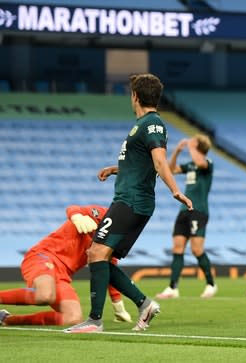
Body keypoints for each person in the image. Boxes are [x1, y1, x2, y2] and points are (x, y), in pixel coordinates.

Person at [64, 73, 193, 334]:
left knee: (96, 254)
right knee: (100, 257)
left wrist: (175, 190)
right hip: (130, 198)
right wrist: (116, 169)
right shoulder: (145, 124)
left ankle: (95, 320)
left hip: (132, 201)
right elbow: (142, 162)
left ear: (135, 96)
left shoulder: (152, 124)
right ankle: (144, 305)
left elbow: (159, 161)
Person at [0, 205, 132, 327]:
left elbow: (108, 270)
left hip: (62, 275)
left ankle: (6, 319)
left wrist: (119, 308)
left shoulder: (115, 238)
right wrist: (77, 217)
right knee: (45, 296)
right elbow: (73, 208)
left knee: (73, 318)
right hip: (44, 256)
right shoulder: (103, 214)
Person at [156, 134, 218, 300]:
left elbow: (200, 162)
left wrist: (191, 147)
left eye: (194, 142)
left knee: (196, 249)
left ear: (199, 146)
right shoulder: (190, 165)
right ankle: (172, 288)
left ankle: (211, 284)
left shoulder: (208, 163)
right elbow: (172, 170)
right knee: (177, 247)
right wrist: (176, 151)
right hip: (184, 210)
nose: (191, 143)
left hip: (199, 210)